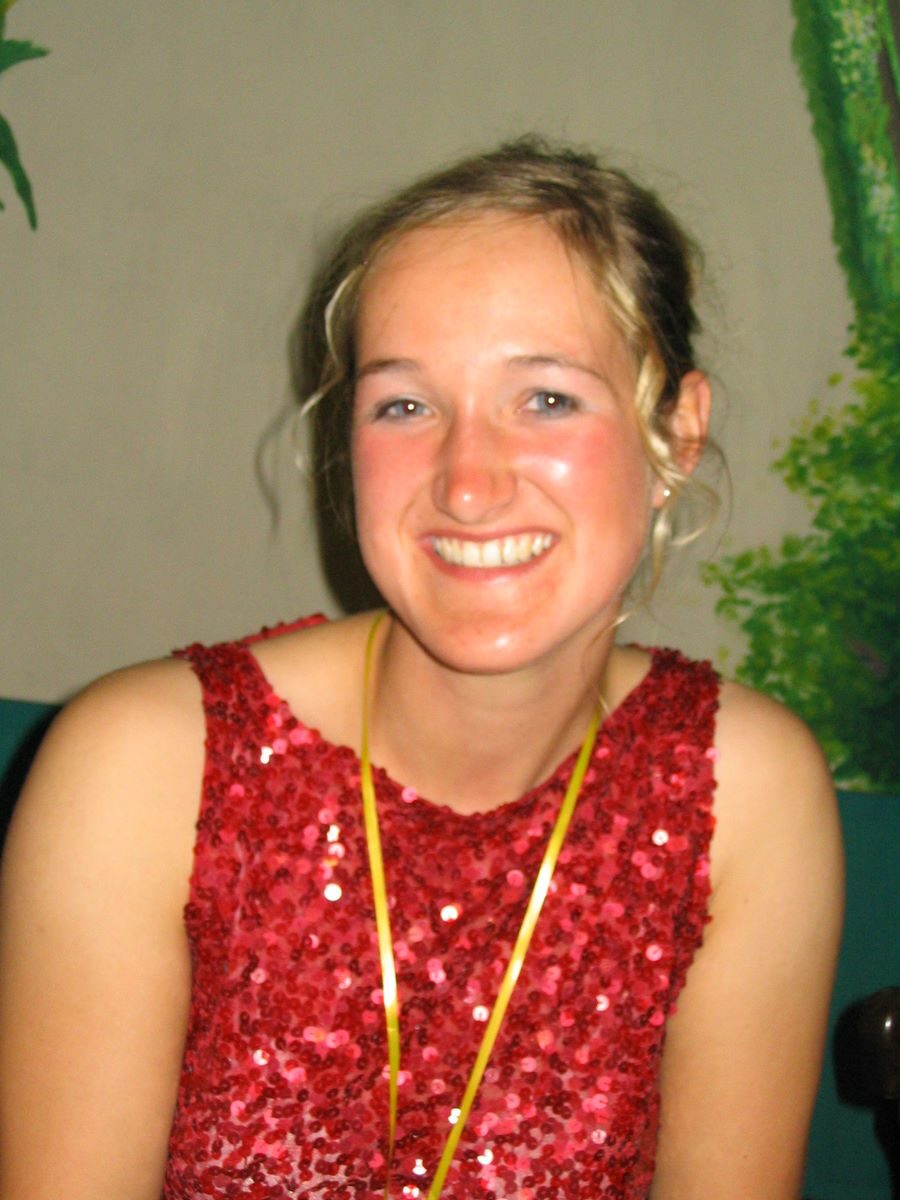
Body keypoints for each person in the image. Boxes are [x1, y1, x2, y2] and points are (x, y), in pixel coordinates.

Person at [0, 137, 843, 1199]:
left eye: (547, 399)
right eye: (404, 405)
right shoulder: (145, 770)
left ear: (675, 431)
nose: (467, 483)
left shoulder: (745, 794)